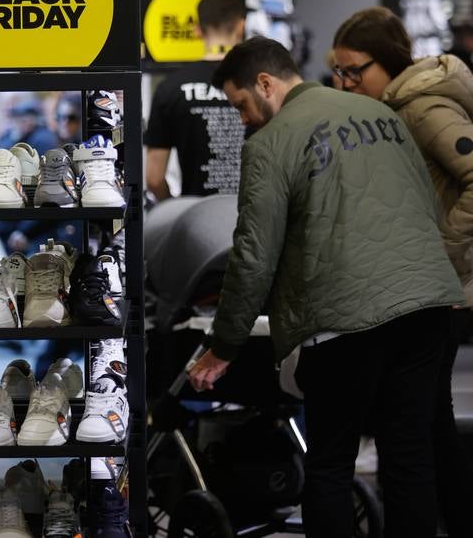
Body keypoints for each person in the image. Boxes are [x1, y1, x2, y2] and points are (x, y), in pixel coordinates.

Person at [187, 36, 463, 538]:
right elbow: (426, 201)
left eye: (241, 105)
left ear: (265, 83)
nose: (242, 119)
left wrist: (222, 347)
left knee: (331, 464)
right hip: (427, 306)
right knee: (409, 457)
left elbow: (253, 255)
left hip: (343, 321)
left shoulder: (269, 145)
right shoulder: (380, 115)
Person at [333, 5, 473, 538]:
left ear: (388, 62)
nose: (344, 82)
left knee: (411, 433)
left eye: (354, 70)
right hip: (424, 291)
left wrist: (438, 249)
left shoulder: (421, 108)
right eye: (337, 71)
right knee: (430, 428)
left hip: (432, 292)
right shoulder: (391, 107)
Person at [144, 0, 246, 199]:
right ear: (241, 27)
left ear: (197, 31)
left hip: (197, 218)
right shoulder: (259, 84)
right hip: (250, 215)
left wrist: (177, 210)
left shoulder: (171, 87)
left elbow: (154, 178)